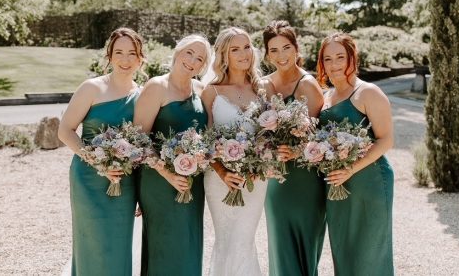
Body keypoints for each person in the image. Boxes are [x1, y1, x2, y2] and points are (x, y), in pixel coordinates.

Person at [58, 27, 145, 276]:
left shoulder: (142, 95)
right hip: (88, 179)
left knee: (118, 245)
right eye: (119, 52)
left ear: (140, 58)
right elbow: (65, 130)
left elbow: (142, 145)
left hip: (124, 181)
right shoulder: (91, 88)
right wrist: (98, 162)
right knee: (92, 244)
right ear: (109, 56)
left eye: (132, 53)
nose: (125, 60)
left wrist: (140, 191)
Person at [134, 34, 212, 276]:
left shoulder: (201, 90)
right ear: (178, 51)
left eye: (199, 58)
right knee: (164, 245)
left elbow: (208, 136)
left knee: (188, 243)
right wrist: (167, 173)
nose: (192, 60)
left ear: (202, 66)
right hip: (160, 182)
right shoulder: (157, 86)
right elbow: (139, 139)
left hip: (192, 182)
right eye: (189, 52)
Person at [317, 32, 394, 275]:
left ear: (353, 58)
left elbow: (386, 140)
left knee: (369, 253)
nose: (334, 64)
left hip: (368, 181)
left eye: (341, 57)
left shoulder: (368, 92)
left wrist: (350, 168)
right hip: (337, 185)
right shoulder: (326, 97)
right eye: (328, 59)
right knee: (343, 248)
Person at [201, 27, 274, 276]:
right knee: (226, 239)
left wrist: (260, 163)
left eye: (246, 47)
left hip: (255, 179)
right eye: (235, 49)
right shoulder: (211, 91)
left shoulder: (262, 89)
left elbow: (270, 136)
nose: (243, 53)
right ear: (224, 55)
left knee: (244, 238)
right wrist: (222, 170)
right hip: (220, 179)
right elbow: (206, 140)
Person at [262, 20, 327, 276]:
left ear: (296, 48)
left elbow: (319, 138)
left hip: (305, 181)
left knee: (304, 248)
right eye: (274, 50)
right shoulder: (264, 84)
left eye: (286, 47)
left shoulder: (308, 85)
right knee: (280, 247)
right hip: (277, 182)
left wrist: (297, 151)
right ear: (267, 54)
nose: (281, 55)